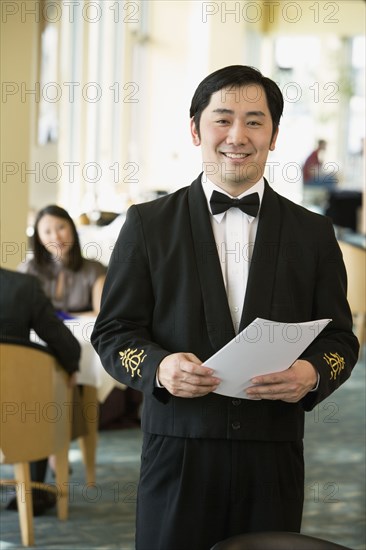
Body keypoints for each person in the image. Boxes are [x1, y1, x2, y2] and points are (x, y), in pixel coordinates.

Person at [91, 65, 359, 550]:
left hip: (272, 450)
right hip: (177, 448)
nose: (238, 135)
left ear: (274, 136)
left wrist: (313, 374)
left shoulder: (312, 232)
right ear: (195, 129)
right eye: (223, 119)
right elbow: (113, 331)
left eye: (255, 121)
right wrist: (158, 366)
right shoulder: (148, 224)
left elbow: (341, 338)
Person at [0, 267, 81, 516]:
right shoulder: (22, 286)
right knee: (38, 393)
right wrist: (70, 366)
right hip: (14, 408)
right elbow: (62, 341)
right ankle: (33, 492)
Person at [17, 204, 107, 316]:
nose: (56, 237)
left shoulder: (95, 270)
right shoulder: (28, 270)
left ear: (73, 229)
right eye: (47, 232)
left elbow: (101, 315)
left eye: (61, 227)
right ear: (39, 238)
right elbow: (19, 313)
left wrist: (64, 318)